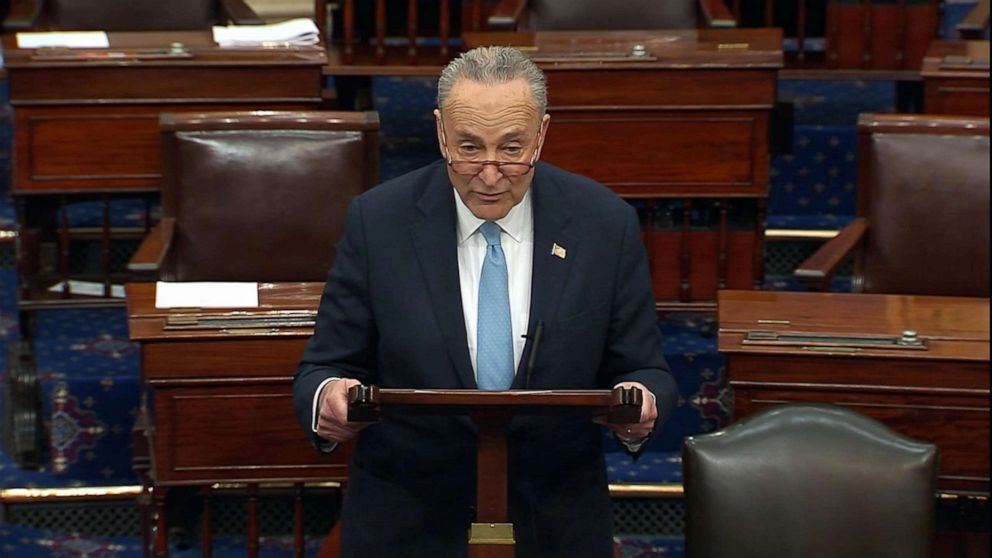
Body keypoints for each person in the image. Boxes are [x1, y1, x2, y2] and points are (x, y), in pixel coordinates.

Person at [294, 45, 677, 558]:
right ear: (439, 132)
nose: (490, 173)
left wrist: (641, 401)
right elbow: (323, 366)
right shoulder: (378, 221)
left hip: (554, 518)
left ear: (541, 134)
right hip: (409, 517)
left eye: (512, 149)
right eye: (469, 148)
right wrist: (330, 399)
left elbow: (646, 370)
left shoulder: (603, 224)